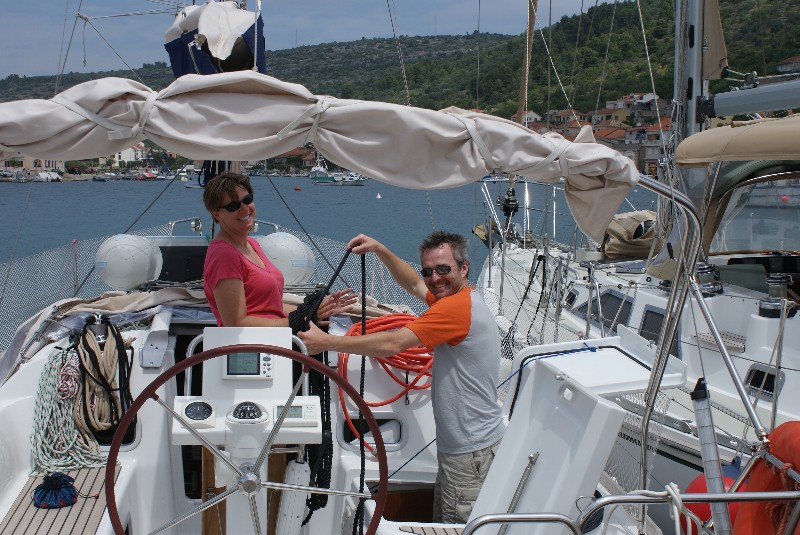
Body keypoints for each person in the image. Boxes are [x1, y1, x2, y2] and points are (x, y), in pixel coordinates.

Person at [298, 230, 505, 523]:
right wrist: (381, 249)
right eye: (429, 271)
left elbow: (394, 343)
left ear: (464, 268)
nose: (435, 278)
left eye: (443, 269)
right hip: (465, 450)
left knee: (458, 527)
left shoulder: (455, 308)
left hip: (469, 454)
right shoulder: (461, 298)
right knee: (445, 523)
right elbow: (414, 284)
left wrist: (326, 342)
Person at [202, 172, 354, 327]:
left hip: (276, 337)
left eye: (247, 200)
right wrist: (299, 321)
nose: (244, 208)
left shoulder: (252, 244)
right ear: (217, 214)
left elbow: (272, 307)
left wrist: (313, 311)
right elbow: (236, 323)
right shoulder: (224, 256)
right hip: (254, 342)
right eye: (233, 206)